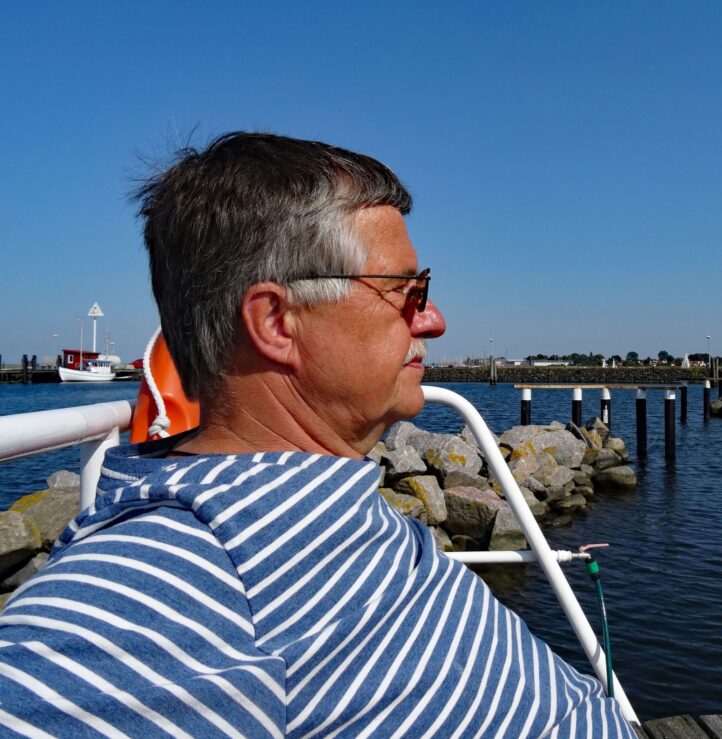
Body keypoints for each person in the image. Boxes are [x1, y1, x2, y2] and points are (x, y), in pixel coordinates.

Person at [0, 132, 635, 737]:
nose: (434, 320)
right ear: (277, 321)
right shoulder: (162, 591)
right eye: (406, 290)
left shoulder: (307, 498)